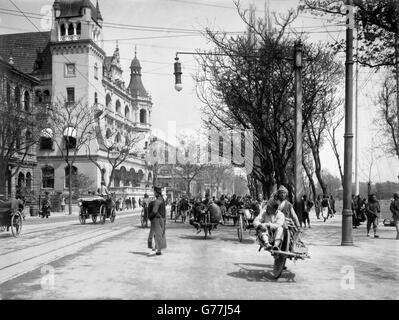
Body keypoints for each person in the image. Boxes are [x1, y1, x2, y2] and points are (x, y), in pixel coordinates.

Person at [147, 186, 166, 256]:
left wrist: (149, 216)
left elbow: (154, 211)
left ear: (156, 192)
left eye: (154, 191)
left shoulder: (158, 200)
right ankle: (159, 250)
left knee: (154, 234)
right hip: (162, 219)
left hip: (157, 219)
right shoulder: (162, 199)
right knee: (159, 234)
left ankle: (154, 249)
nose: (153, 193)